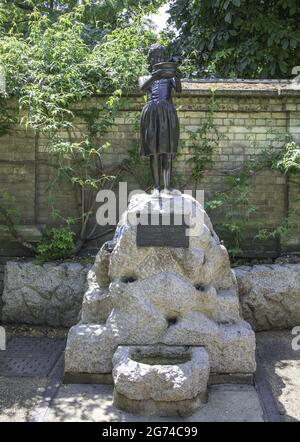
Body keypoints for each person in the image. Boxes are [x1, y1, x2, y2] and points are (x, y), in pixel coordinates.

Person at [139, 44, 182, 196]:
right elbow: (142, 88)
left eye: (160, 57)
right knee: (154, 152)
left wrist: (176, 72)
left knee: (167, 152)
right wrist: (155, 75)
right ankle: (156, 187)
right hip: (151, 114)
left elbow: (179, 89)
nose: (158, 60)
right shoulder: (145, 77)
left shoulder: (169, 78)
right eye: (154, 57)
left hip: (167, 113)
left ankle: (167, 187)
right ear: (150, 60)